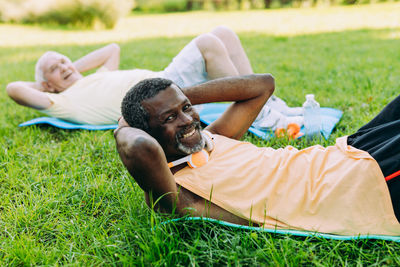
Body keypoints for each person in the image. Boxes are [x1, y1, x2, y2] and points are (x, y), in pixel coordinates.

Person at [114, 75, 400, 236]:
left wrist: (174, 97)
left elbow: (263, 85)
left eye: (186, 108)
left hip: (346, 153)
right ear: (147, 131)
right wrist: (124, 123)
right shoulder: (178, 193)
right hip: (361, 183)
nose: (188, 121)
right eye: (168, 119)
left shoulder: (216, 137)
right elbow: (140, 147)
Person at [6, 26, 302, 126]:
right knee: (207, 42)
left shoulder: (93, 77)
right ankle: (260, 114)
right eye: (56, 69)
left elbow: (112, 48)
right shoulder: (62, 101)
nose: (66, 67)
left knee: (222, 33)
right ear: (47, 85)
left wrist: (69, 69)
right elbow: (13, 88)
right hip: (157, 99)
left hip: (165, 81)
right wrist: (52, 86)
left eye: (65, 61)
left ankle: (271, 105)